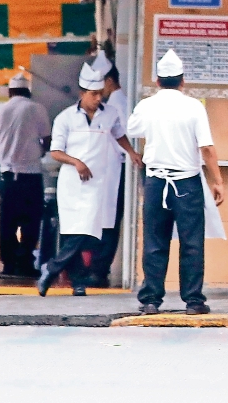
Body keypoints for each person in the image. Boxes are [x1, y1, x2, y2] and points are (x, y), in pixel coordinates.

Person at [125, 49, 226, 315]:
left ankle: (150, 300)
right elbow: (206, 148)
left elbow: (132, 129)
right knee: (191, 242)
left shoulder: (147, 105)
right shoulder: (193, 106)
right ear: (183, 80)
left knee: (154, 241)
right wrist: (217, 181)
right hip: (187, 183)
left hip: (156, 182)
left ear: (158, 81)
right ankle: (193, 300)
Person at [37, 64, 142, 296]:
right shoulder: (65, 118)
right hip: (72, 184)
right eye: (93, 94)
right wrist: (77, 162)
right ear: (81, 94)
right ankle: (78, 283)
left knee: (86, 232)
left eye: (99, 94)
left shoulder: (110, 114)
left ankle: (53, 268)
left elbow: (118, 134)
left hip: (96, 184)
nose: (97, 98)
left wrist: (131, 153)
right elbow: (55, 152)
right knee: (72, 232)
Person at [0, 71, 51, 277]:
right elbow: (47, 140)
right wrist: (37, 152)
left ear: (10, 91)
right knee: (31, 221)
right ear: (27, 91)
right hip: (31, 175)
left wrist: (6, 150)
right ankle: (25, 261)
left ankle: (9, 264)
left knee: (7, 222)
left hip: (7, 175)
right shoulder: (37, 109)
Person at [88, 52, 127, 286]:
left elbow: (124, 136)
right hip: (107, 170)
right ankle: (97, 268)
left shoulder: (117, 103)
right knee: (104, 220)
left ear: (109, 81)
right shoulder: (111, 103)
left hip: (116, 170)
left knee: (108, 222)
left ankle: (99, 269)